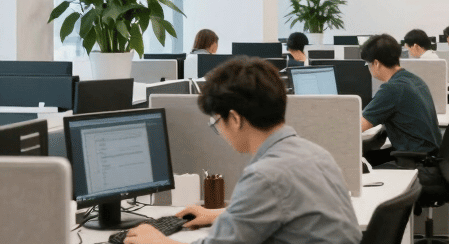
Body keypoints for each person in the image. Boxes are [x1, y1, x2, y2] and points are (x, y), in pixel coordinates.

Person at [124, 57, 361, 244]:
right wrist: (222, 215)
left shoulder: (264, 176)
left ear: (235, 119)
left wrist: (158, 241)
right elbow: (286, 211)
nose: (220, 131)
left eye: (217, 122)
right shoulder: (316, 153)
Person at [360, 34, 442, 167]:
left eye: (367, 64)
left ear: (376, 63)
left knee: (357, 166)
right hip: (429, 157)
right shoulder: (414, 80)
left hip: (415, 162)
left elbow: (357, 127)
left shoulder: (392, 88)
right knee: (368, 157)